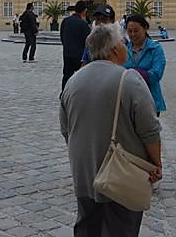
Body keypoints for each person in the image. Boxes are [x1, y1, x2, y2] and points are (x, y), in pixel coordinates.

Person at [60, 23, 163, 236]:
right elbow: (150, 130)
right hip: (121, 177)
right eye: (123, 42)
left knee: (87, 227)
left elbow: (66, 129)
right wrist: (156, 164)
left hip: (85, 175)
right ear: (115, 49)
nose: (127, 45)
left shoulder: (73, 81)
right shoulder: (129, 79)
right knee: (121, 228)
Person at [124, 15, 167, 116]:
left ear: (145, 29)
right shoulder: (124, 49)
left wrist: (131, 74)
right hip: (128, 102)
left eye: (136, 30)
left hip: (150, 101)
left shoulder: (155, 49)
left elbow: (156, 74)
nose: (132, 34)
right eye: (129, 31)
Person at [60, 0, 91, 89]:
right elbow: (89, 40)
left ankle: (64, 93)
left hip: (67, 53)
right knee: (81, 76)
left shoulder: (65, 21)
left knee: (66, 75)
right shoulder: (83, 24)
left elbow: (62, 36)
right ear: (84, 11)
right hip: (80, 55)